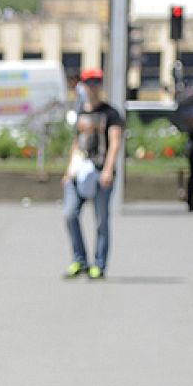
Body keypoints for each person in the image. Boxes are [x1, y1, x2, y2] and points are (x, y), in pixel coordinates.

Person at [61, 66, 122, 279]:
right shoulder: (81, 112)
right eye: (89, 83)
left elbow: (115, 144)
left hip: (100, 172)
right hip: (80, 171)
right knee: (70, 214)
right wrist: (70, 170)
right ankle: (79, 260)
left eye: (96, 83)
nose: (93, 87)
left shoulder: (110, 113)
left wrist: (108, 170)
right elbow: (77, 143)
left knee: (101, 220)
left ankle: (99, 264)